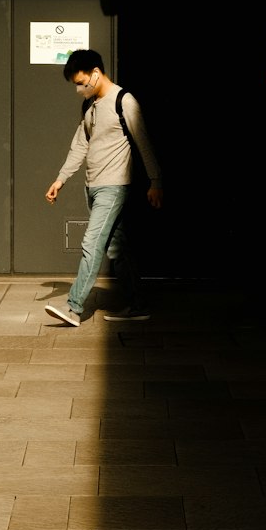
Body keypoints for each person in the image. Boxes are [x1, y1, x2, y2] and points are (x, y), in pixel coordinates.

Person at [44, 49, 162, 327]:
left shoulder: (124, 101)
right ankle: (138, 305)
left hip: (114, 186)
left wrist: (156, 181)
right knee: (117, 249)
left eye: (81, 82)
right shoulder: (89, 105)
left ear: (96, 73)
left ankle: (73, 307)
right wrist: (60, 179)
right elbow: (80, 145)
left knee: (91, 243)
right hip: (92, 186)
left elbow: (143, 141)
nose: (78, 89)